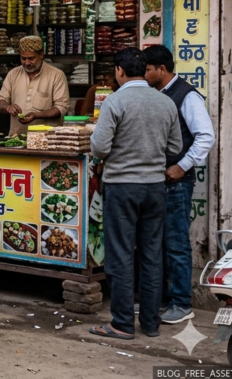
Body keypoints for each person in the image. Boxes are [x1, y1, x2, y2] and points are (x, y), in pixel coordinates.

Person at [89, 48, 182, 341]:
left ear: (119, 71)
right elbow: (175, 147)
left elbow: (99, 148)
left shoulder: (115, 101)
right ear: (143, 70)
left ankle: (123, 323)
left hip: (122, 187)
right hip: (155, 187)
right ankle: (151, 323)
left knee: (119, 255)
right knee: (152, 254)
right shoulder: (165, 102)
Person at [144, 45, 215, 325]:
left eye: (148, 69)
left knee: (176, 243)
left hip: (177, 182)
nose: (145, 74)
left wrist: (181, 165)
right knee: (156, 243)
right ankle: (159, 298)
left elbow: (205, 136)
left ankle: (181, 302)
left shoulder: (186, 95)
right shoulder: (156, 95)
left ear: (162, 70)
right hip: (157, 181)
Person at [0, 35, 70, 135]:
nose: (27, 63)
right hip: (16, 138)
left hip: (46, 139)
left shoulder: (56, 75)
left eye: (31, 58)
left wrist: (36, 115)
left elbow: (61, 108)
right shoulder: (13, 74)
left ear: (41, 54)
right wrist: (8, 107)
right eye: (23, 58)